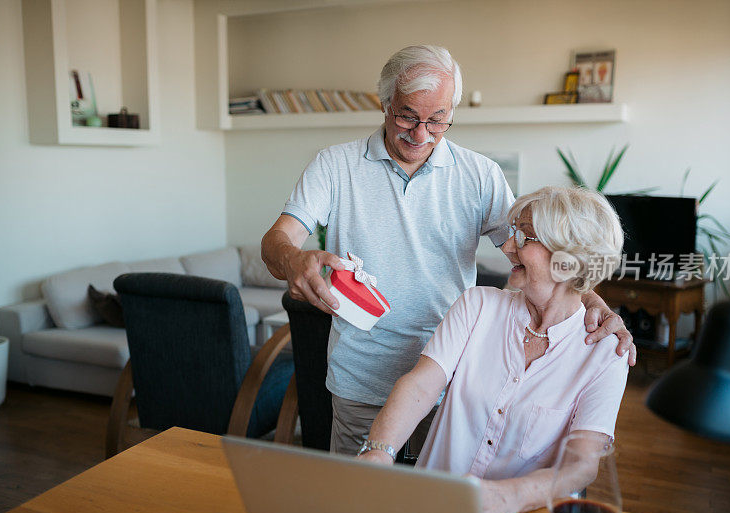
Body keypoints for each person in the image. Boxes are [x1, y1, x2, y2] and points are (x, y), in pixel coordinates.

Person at [260, 45, 635, 456]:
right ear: (384, 105)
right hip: (360, 381)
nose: (421, 134)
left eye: (438, 120)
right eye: (407, 116)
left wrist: (593, 305)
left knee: (432, 509)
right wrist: (294, 259)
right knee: (359, 506)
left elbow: (538, 254)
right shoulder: (335, 166)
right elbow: (276, 241)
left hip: (453, 383)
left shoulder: (480, 175)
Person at [357, 186, 630, 513]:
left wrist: (508, 496)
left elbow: (582, 465)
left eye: (525, 238)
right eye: (513, 233)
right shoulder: (477, 305)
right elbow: (421, 386)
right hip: (430, 507)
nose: (509, 246)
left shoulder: (606, 353)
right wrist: (379, 453)